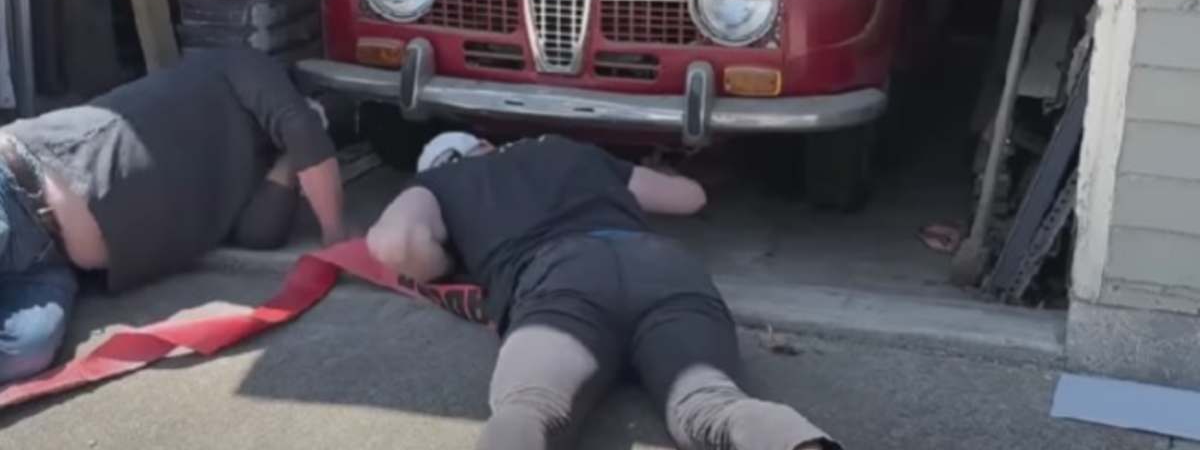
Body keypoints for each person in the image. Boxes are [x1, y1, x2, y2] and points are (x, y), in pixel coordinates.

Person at [366, 131, 839, 450]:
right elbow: (689, 197)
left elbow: (394, 245)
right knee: (710, 401)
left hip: (560, 281)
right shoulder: (570, 151)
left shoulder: (438, 182)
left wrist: (449, 261)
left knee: (530, 407)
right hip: (662, 265)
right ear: (485, 145)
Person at [0, 47, 346, 385]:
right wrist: (337, 236)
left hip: (51, 261)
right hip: (16, 185)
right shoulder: (238, 63)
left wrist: (288, 164)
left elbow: (259, 234)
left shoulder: (246, 172)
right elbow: (302, 130)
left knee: (28, 348)